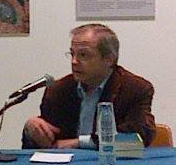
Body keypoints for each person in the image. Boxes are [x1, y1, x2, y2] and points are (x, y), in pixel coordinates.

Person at [22, 24, 155, 149]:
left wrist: (79, 143)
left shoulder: (135, 89)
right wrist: (32, 129)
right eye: (72, 54)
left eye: (83, 55)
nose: (74, 61)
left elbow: (137, 138)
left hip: (112, 163)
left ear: (109, 59)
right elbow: (43, 145)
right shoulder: (58, 90)